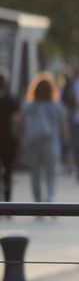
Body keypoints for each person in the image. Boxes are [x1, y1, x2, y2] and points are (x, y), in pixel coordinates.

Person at [18, 74, 70, 203]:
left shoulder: (28, 106)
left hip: (33, 143)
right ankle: (49, 197)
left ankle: (37, 201)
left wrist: (21, 142)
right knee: (51, 173)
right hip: (51, 143)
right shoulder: (56, 106)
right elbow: (64, 127)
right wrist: (66, 144)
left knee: (35, 174)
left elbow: (21, 125)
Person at [0, 74, 20, 205]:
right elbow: (17, 121)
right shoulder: (11, 100)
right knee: (8, 173)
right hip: (8, 140)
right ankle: (7, 203)